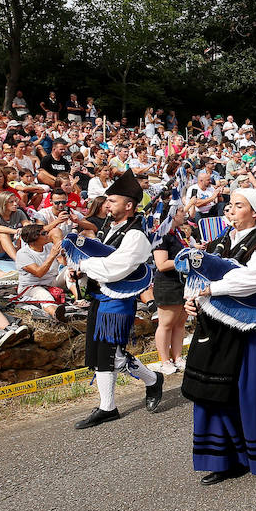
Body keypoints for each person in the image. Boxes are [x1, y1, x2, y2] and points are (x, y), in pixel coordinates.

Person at [181, 188, 256, 483]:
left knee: (250, 393)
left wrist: (213, 289)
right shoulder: (218, 243)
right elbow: (197, 275)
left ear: (254, 213)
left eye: (239, 205)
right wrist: (191, 299)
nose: (231, 210)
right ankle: (226, 458)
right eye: (230, 205)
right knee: (210, 391)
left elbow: (253, 280)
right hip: (212, 327)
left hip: (247, 332)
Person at [67, 169, 164, 429]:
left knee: (116, 355)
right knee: (101, 353)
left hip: (118, 301)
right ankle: (107, 406)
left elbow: (116, 268)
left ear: (129, 205)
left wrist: (86, 267)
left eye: (112, 200)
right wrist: (79, 267)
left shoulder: (136, 236)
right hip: (101, 296)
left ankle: (152, 380)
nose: (106, 204)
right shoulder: (111, 230)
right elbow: (100, 261)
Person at [150, 206, 191, 376]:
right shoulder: (161, 235)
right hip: (168, 284)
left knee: (180, 323)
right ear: (173, 215)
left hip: (181, 282)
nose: (185, 214)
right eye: (182, 212)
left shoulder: (178, 234)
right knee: (166, 324)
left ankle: (177, 356)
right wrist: (186, 260)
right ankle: (164, 360)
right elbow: (161, 264)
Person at [14, 223, 69, 320]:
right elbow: (39, 273)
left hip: (51, 281)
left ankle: (79, 299)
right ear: (34, 238)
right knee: (45, 296)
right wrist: (52, 255)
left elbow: (63, 263)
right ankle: (55, 314)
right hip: (32, 286)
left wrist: (64, 255)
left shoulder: (49, 246)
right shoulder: (23, 254)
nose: (48, 235)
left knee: (69, 271)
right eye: (44, 233)